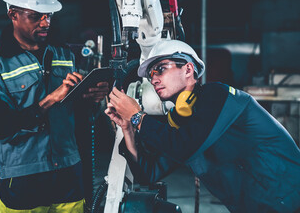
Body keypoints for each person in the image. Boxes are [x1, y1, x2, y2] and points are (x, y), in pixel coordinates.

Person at [105, 39, 300, 213]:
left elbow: (185, 147)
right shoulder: (183, 123)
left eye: (161, 69)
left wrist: (138, 116)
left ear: (188, 70)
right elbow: (148, 174)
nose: (154, 79)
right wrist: (129, 128)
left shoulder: (218, 96)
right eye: (150, 75)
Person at [0, 0, 108, 212]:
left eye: (48, 15)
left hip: (68, 173)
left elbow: (77, 115)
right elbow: (0, 127)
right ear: (13, 15)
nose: (45, 22)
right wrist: (50, 99)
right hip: (24, 177)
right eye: (36, 16)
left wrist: (91, 99)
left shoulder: (63, 55)